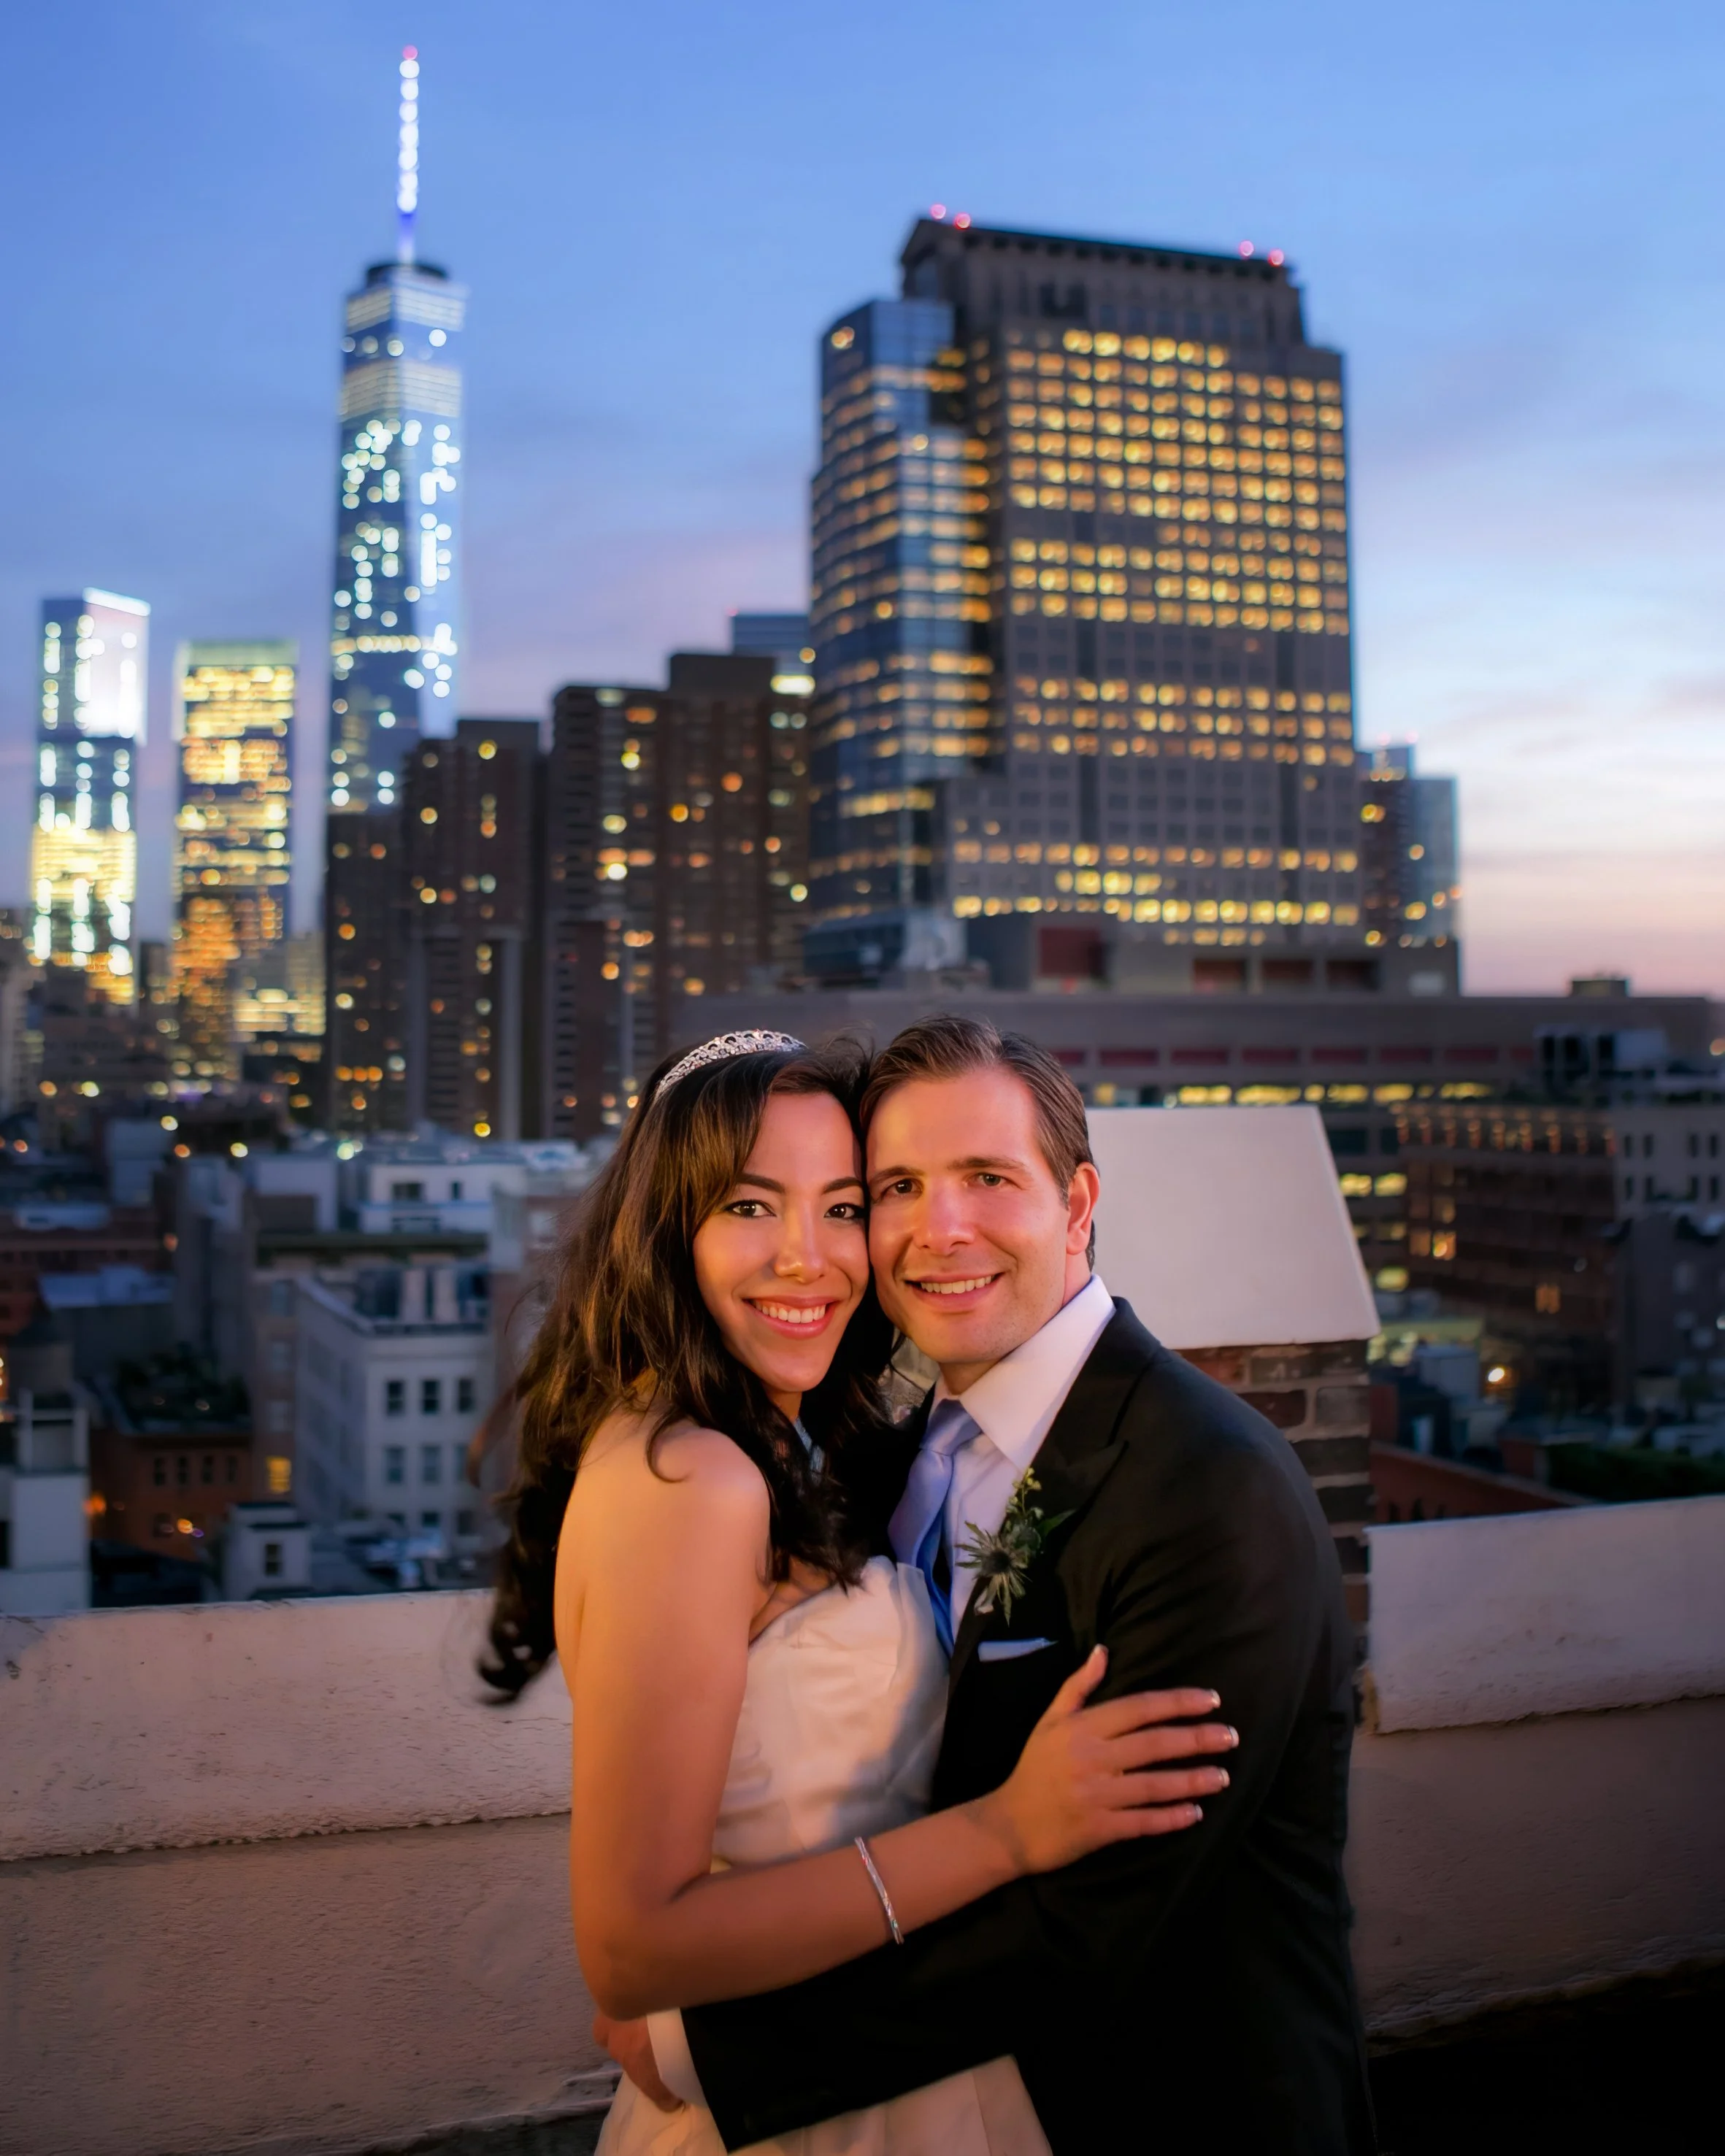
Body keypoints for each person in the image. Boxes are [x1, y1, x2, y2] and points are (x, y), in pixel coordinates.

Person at [612, 1015, 1376, 2155]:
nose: (938, 1228)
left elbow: (1092, 1921)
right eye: (898, 1186)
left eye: (985, 1177)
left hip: (1162, 2108)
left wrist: (693, 2043)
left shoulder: (1209, 1489)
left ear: (1074, 1206)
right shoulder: (887, 1449)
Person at [483, 1027, 1237, 2156]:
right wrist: (1005, 1830)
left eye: (842, 1206)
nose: (811, 1257)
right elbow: (633, 1948)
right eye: (748, 1205)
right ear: (666, 1227)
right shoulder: (694, 1478)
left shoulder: (780, 1447)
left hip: (881, 2073)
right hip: (796, 2113)